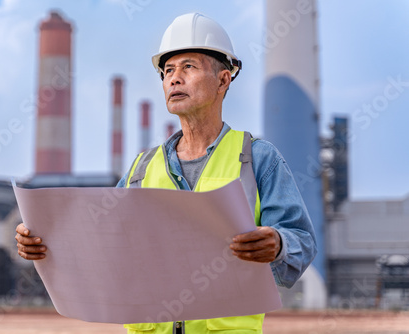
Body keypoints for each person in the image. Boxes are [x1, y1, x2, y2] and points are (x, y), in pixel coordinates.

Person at [16, 12, 317, 334]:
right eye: (168, 71)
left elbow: (302, 240)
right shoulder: (141, 169)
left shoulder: (256, 158)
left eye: (188, 67)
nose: (174, 78)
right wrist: (43, 242)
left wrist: (279, 243)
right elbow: (101, 243)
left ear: (224, 80)